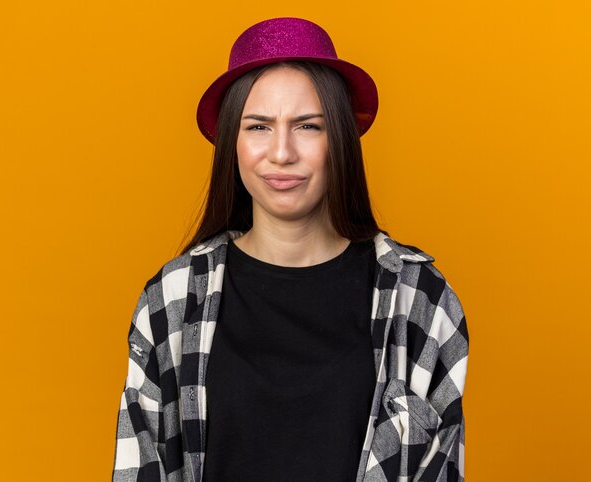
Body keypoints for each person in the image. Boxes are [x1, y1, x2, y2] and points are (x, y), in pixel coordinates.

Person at [113, 17, 469, 482]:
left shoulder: (420, 300)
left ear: (339, 139)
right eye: (258, 126)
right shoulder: (171, 301)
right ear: (232, 144)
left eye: (307, 126)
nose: (281, 152)